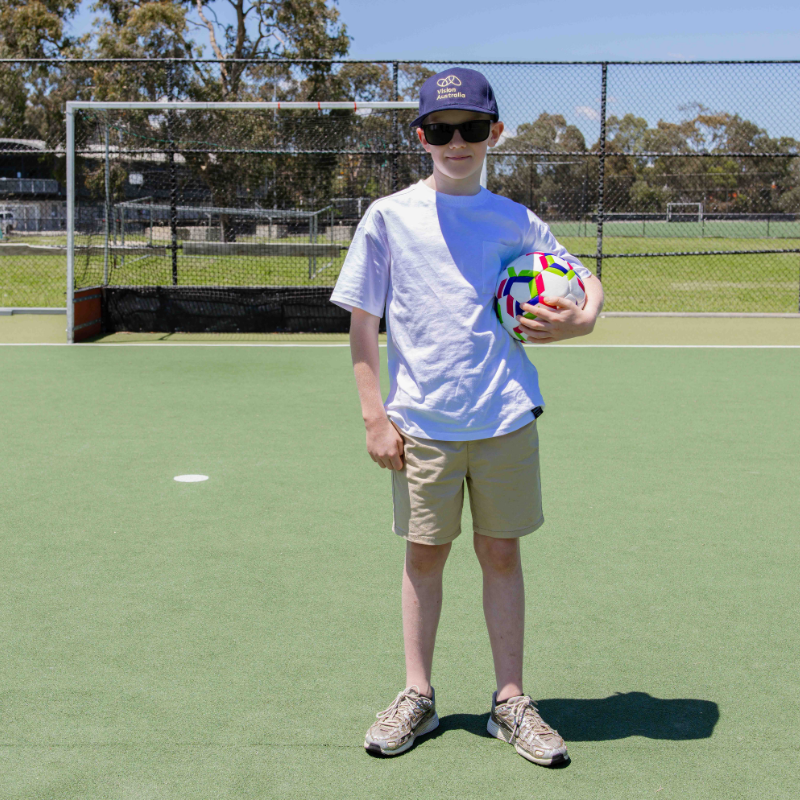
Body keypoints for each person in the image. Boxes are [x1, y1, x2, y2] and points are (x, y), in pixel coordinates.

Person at [330, 67, 604, 766]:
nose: (458, 143)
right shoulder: (389, 216)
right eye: (441, 131)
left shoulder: (515, 221)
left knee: (502, 554)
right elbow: (364, 322)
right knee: (424, 557)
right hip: (421, 425)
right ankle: (417, 696)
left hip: (506, 419)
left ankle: (509, 700)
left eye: (472, 130)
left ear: (495, 135)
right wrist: (373, 415)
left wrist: (584, 321)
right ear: (421, 137)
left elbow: (583, 278)